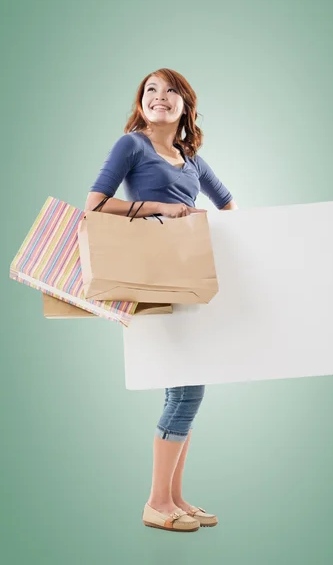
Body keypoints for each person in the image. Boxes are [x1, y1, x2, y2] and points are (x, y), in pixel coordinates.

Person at [85, 68, 237, 532]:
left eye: (171, 90)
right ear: (141, 102)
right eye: (151, 89)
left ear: (185, 105)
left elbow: (229, 205)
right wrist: (160, 208)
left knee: (186, 386)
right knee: (187, 388)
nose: (160, 97)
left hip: (185, 280)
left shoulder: (190, 157)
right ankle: (155, 502)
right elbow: (94, 204)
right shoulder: (131, 144)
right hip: (150, 280)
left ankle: (175, 497)